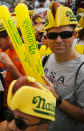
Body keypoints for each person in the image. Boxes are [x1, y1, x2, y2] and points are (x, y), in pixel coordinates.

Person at [43, 2, 84, 130]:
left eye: (65, 34)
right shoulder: (45, 59)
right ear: (47, 37)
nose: (59, 40)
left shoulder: (81, 69)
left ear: (75, 35)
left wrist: (56, 98)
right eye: (53, 35)